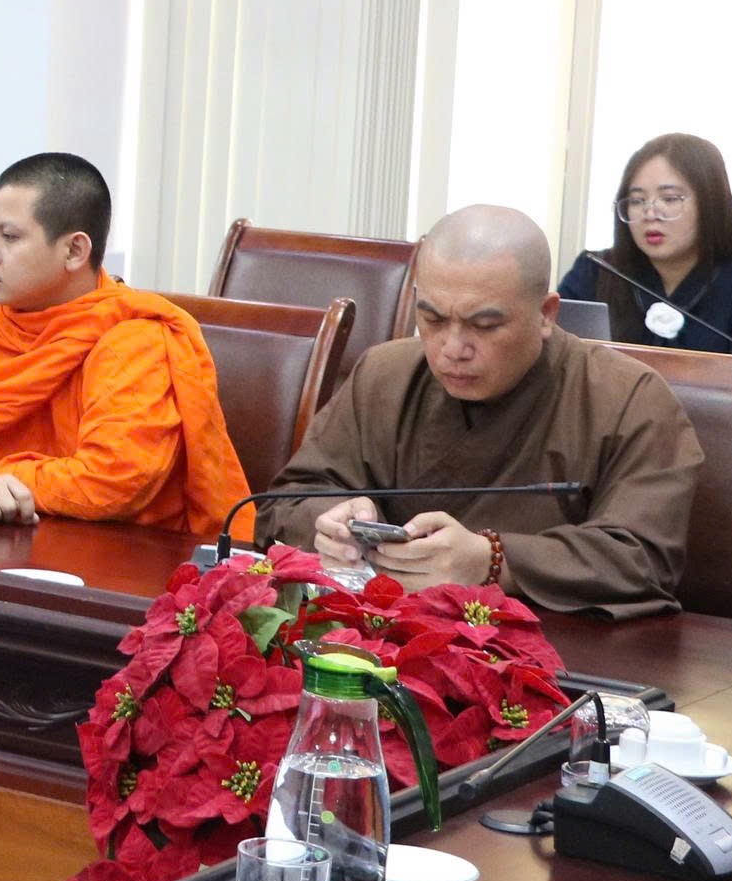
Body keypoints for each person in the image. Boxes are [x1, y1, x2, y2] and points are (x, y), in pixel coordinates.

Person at [263, 204, 703, 620]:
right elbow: (283, 504)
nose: (453, 349)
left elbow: (643, 557)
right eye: (433, 320)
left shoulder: (630, 399)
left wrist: (494, 561)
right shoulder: (384, 374)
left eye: (484, 325)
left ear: (546, 314)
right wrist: (333, 520)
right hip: (389, 630)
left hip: (557, 647)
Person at [0, 152, 252, 539]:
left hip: (106, 557)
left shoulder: (132, 339)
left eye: (10, 237)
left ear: (75, 251)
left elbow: (113, 480)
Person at [557, 133, 732, 355]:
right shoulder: (595, 271)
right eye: (637, 201)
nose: (650, 214)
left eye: (669, 199)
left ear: (710, 203)